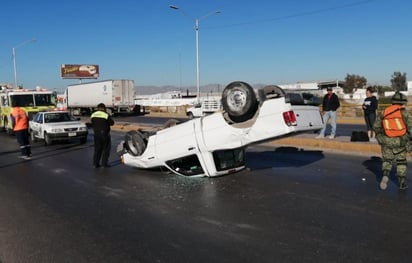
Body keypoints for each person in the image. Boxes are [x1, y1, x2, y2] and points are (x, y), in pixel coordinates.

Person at [373, 91, 412, 191]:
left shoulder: (384, 112)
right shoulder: (405, 113)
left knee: (387, 161)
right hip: (400, 142)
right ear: (403, 102)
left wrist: (380, 138)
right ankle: (402, 183)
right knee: (401, 162)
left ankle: (385, 175)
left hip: (386, 141)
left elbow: (376, 127)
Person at [90, 103, 114, 168]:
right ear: (103, 108)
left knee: (97, 149)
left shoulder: (93, 115)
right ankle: (104, 164)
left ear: (98, 108)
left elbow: (92, 122)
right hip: (105, 134)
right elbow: (112, 123)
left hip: (96, 134)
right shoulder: (105, 115)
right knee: (106, 149)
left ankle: (95, 164)